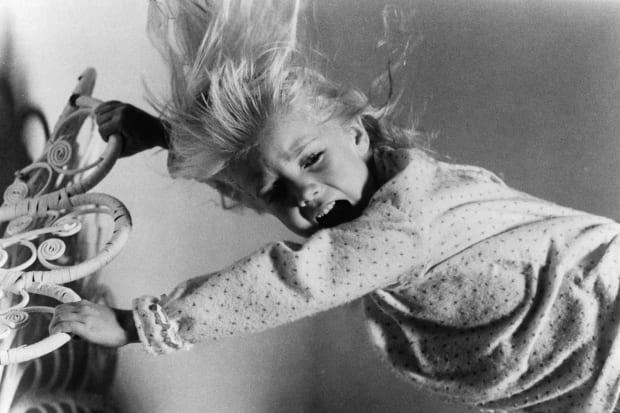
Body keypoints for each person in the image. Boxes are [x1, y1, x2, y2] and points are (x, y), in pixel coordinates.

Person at [50, 1, 620, 412]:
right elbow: (257, 167)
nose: (305, 192)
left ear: (358, 134)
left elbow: (291, 281)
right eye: (277, 194)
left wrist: (135, 325)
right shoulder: (402, 177)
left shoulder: (399, 228)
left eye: (314, 159)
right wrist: (163, 134)